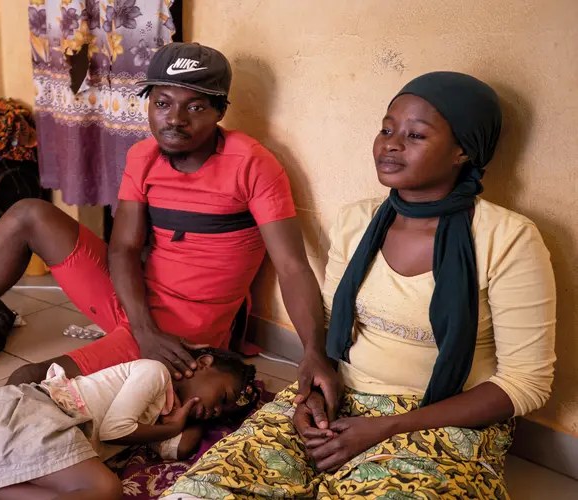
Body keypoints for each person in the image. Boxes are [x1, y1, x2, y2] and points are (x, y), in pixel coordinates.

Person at [0, 43, 338, 483]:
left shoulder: (253, 165)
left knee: (28, 386)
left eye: (195, 106)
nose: (174, 119)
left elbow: (292, 266)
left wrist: (313, 350)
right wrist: (139, 325)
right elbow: (121, 248)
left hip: (186, 327)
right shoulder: (144, 156)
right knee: (29, 213)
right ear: (148, 103)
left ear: (220, 110)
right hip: (134, 303)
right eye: (161, 103)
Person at [160, 72, 557, 499]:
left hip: (437, 419)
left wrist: (385, 428)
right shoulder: (357, 220)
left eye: (416, 135)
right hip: (341, 398)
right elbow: (332, 326)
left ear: (464, 150)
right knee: (203, 490)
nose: (391, 143)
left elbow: (525, 382)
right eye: (386, 128)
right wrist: (313, 379)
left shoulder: (508, 238)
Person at [0, 348, 257, 500]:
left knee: (87, 490)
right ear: (202, 363)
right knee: (104, 489)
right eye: (224, 396)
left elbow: (180, 449)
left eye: (224, 413)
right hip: (30, 412)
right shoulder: (153, 372)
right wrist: (173, 427)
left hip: (37, 428)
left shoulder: (164, 414)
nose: (219, 411)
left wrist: (191, 417)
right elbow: (114, 430)